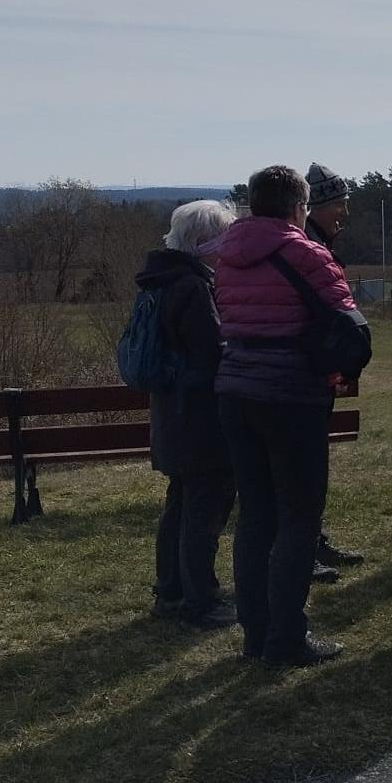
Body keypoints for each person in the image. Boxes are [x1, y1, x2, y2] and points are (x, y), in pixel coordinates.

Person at [217, 165, 359, 667]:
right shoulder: (307, 252)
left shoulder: (224, 253)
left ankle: (255, 632)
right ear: (299, 207)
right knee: (299, 518)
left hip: (236, 390)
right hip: (294, 394)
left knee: (255, 516)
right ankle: (287, 636)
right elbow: (350, 323)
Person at [139, 200, 239, 629]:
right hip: (199, 418)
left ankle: (171, 591)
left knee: (180, 505)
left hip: (171, 414)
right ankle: (201, 599)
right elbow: (211, 354)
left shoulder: (159, 280)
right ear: (203, 243)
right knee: (205, 510)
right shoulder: (194, 287)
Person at [301, 162, 366, 582]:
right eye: (338, 204)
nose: (344, 212)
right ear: (316, 207)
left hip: (317, 374)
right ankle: (304, 550)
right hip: (306, 376)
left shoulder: (317, 241)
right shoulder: (308, 247)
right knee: (304, 469)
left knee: (312, 465)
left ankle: (313, 541)